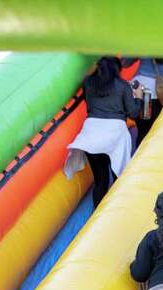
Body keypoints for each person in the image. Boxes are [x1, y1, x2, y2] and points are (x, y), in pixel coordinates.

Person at [64, 56, 143, 208]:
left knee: (100, 182)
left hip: (91, 134)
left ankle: (97, 217)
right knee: (119, 178)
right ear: (116, 69)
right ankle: (118, 211)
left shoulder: (88, 84)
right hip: (115, 134)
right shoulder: (122, 86)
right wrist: (138, 97)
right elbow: (133, 113)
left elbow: (89, 106)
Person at [124, 57, 163, 145]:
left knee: (143, 130)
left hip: (139, 86)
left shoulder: (146, 43)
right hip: (157, 91)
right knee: (158, 129)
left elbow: (125, 63)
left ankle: (140, 155)